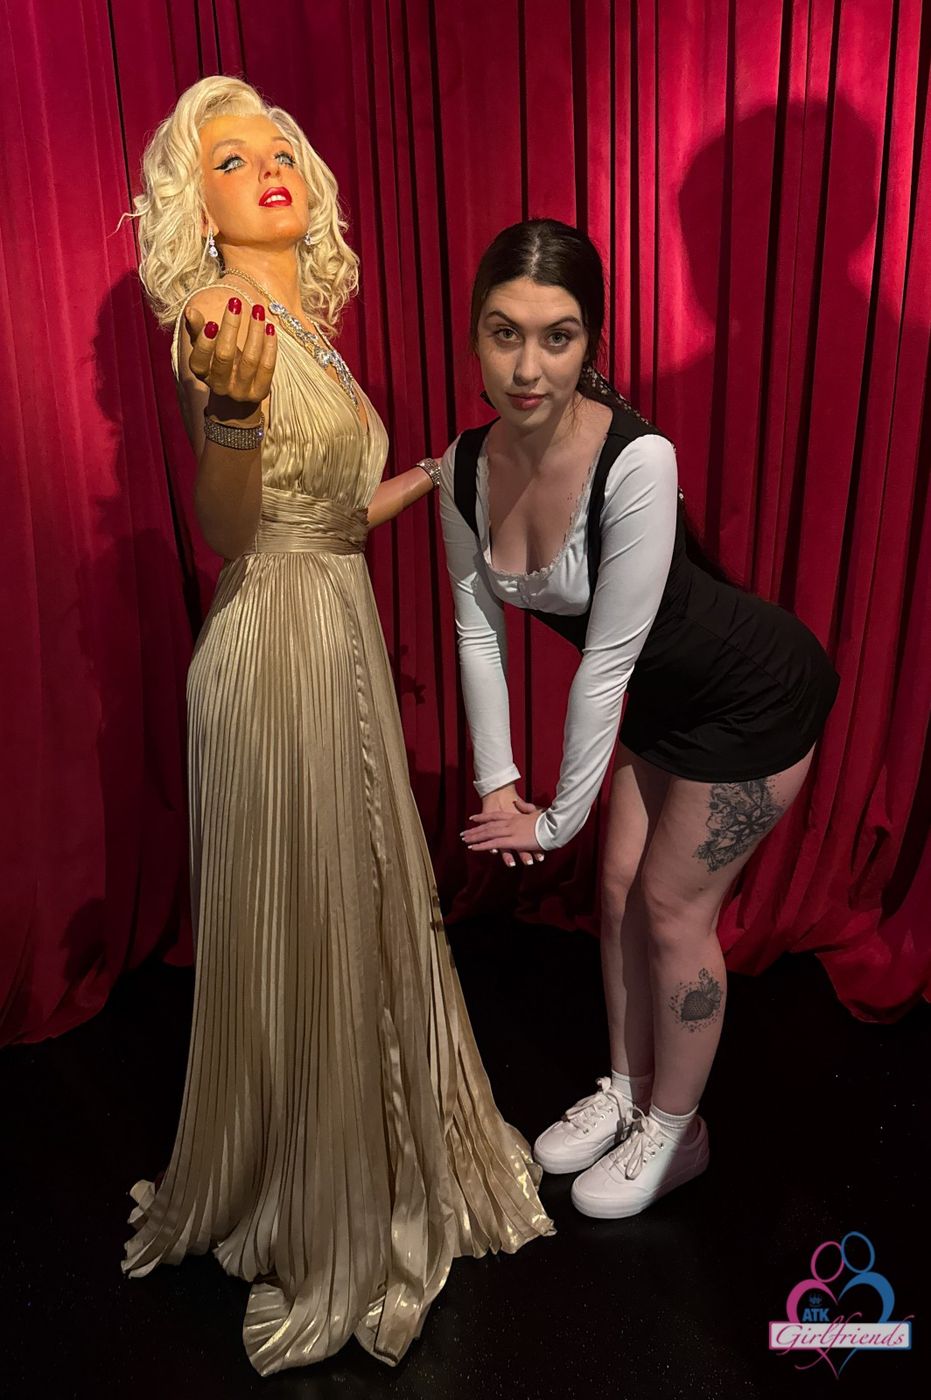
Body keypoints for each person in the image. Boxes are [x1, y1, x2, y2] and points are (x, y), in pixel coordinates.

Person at [120, 78, 552, 1376]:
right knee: (305, 914)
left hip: (335, 626)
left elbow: (332, 510)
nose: (266, 165)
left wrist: (440, 468)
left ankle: (368, 1156)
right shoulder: (217, 322)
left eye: (276, 147)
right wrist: (232, 414)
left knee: (355, 904)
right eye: (228, 159)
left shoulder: (308, 327)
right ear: (195, 210)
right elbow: (231, 528)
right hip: (272, 649)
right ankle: (319, 1209)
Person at [437, 218, 840, 1221]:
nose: (526, 367)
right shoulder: (462, 468)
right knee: (615, 891)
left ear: (593, 343)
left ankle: (677, 1126)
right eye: (504, 332)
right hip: (663, 699)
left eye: (558, 337)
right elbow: (478, 634)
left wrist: (554, 820)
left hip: (752, 694)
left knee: (669, 908)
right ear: (474, 333)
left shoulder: (637, 459)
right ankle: (626, 1091)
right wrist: (499, 784)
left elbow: (606, 664)